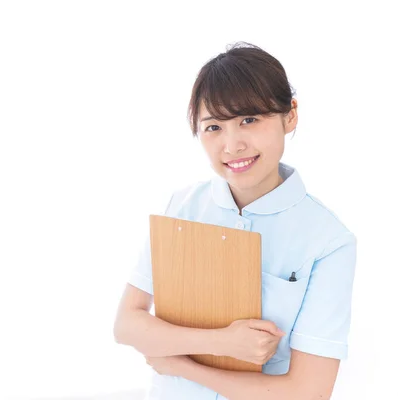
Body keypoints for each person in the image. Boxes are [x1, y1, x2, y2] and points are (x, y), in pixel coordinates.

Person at [113, 42, 358, 400]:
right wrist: (220, 342)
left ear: (290, 115)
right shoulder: (181, 207)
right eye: (213, 127)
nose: (232, 145)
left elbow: (308, 391)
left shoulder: (329, 240)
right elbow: (127, 325)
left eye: (249, 119)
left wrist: (181, 364)